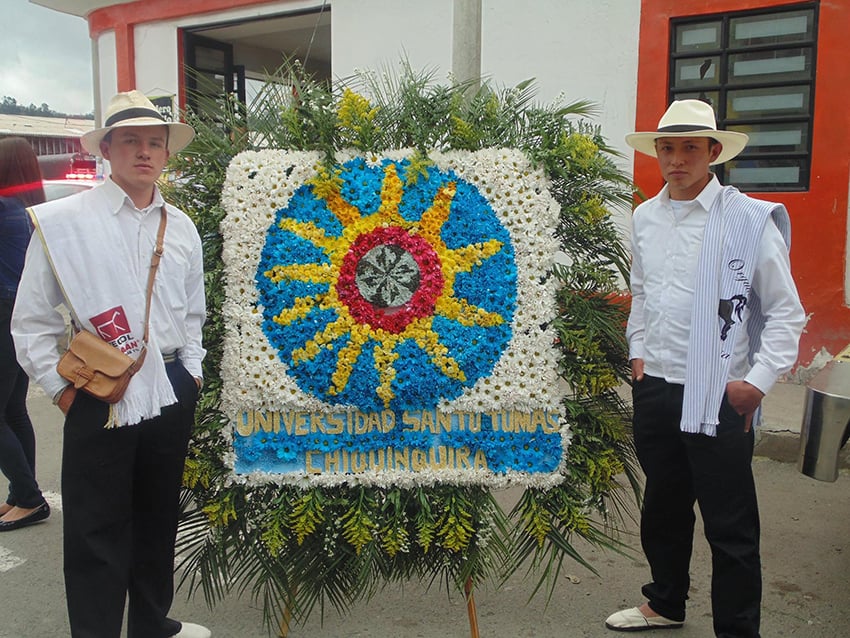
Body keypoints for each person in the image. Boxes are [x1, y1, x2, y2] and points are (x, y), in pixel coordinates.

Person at [12, 91, 210, 638]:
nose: (143, 152)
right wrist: (60, 390)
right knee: (95, 526)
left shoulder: (183, 226)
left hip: (170, 386)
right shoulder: (66, 222)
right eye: (130, 141)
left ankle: (151, 623)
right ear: (106, 149)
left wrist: (191, 371)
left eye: (154, 143)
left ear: (166, 155)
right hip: (99, 390)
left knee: (157, 514)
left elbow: (193, 311)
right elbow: (32, 322)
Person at [605, 100, 806, 636]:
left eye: (690, 147)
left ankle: (738, 630)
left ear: (714, 152)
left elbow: (787, 312)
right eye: (666, 148)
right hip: (657, 385)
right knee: (663, 508)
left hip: (721, 390)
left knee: (730, 525)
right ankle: (665, 602)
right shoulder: (645, 216)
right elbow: (643, 294)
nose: (676, 159)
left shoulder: (746, 220)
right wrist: (638, 355)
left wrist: (757, 384)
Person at [0, 137, 50, 532]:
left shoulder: (4, 210)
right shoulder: (32, 210)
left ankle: (29, 498)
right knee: (14, 408)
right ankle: (22, 494)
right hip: (21, 315)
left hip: (2, 314)